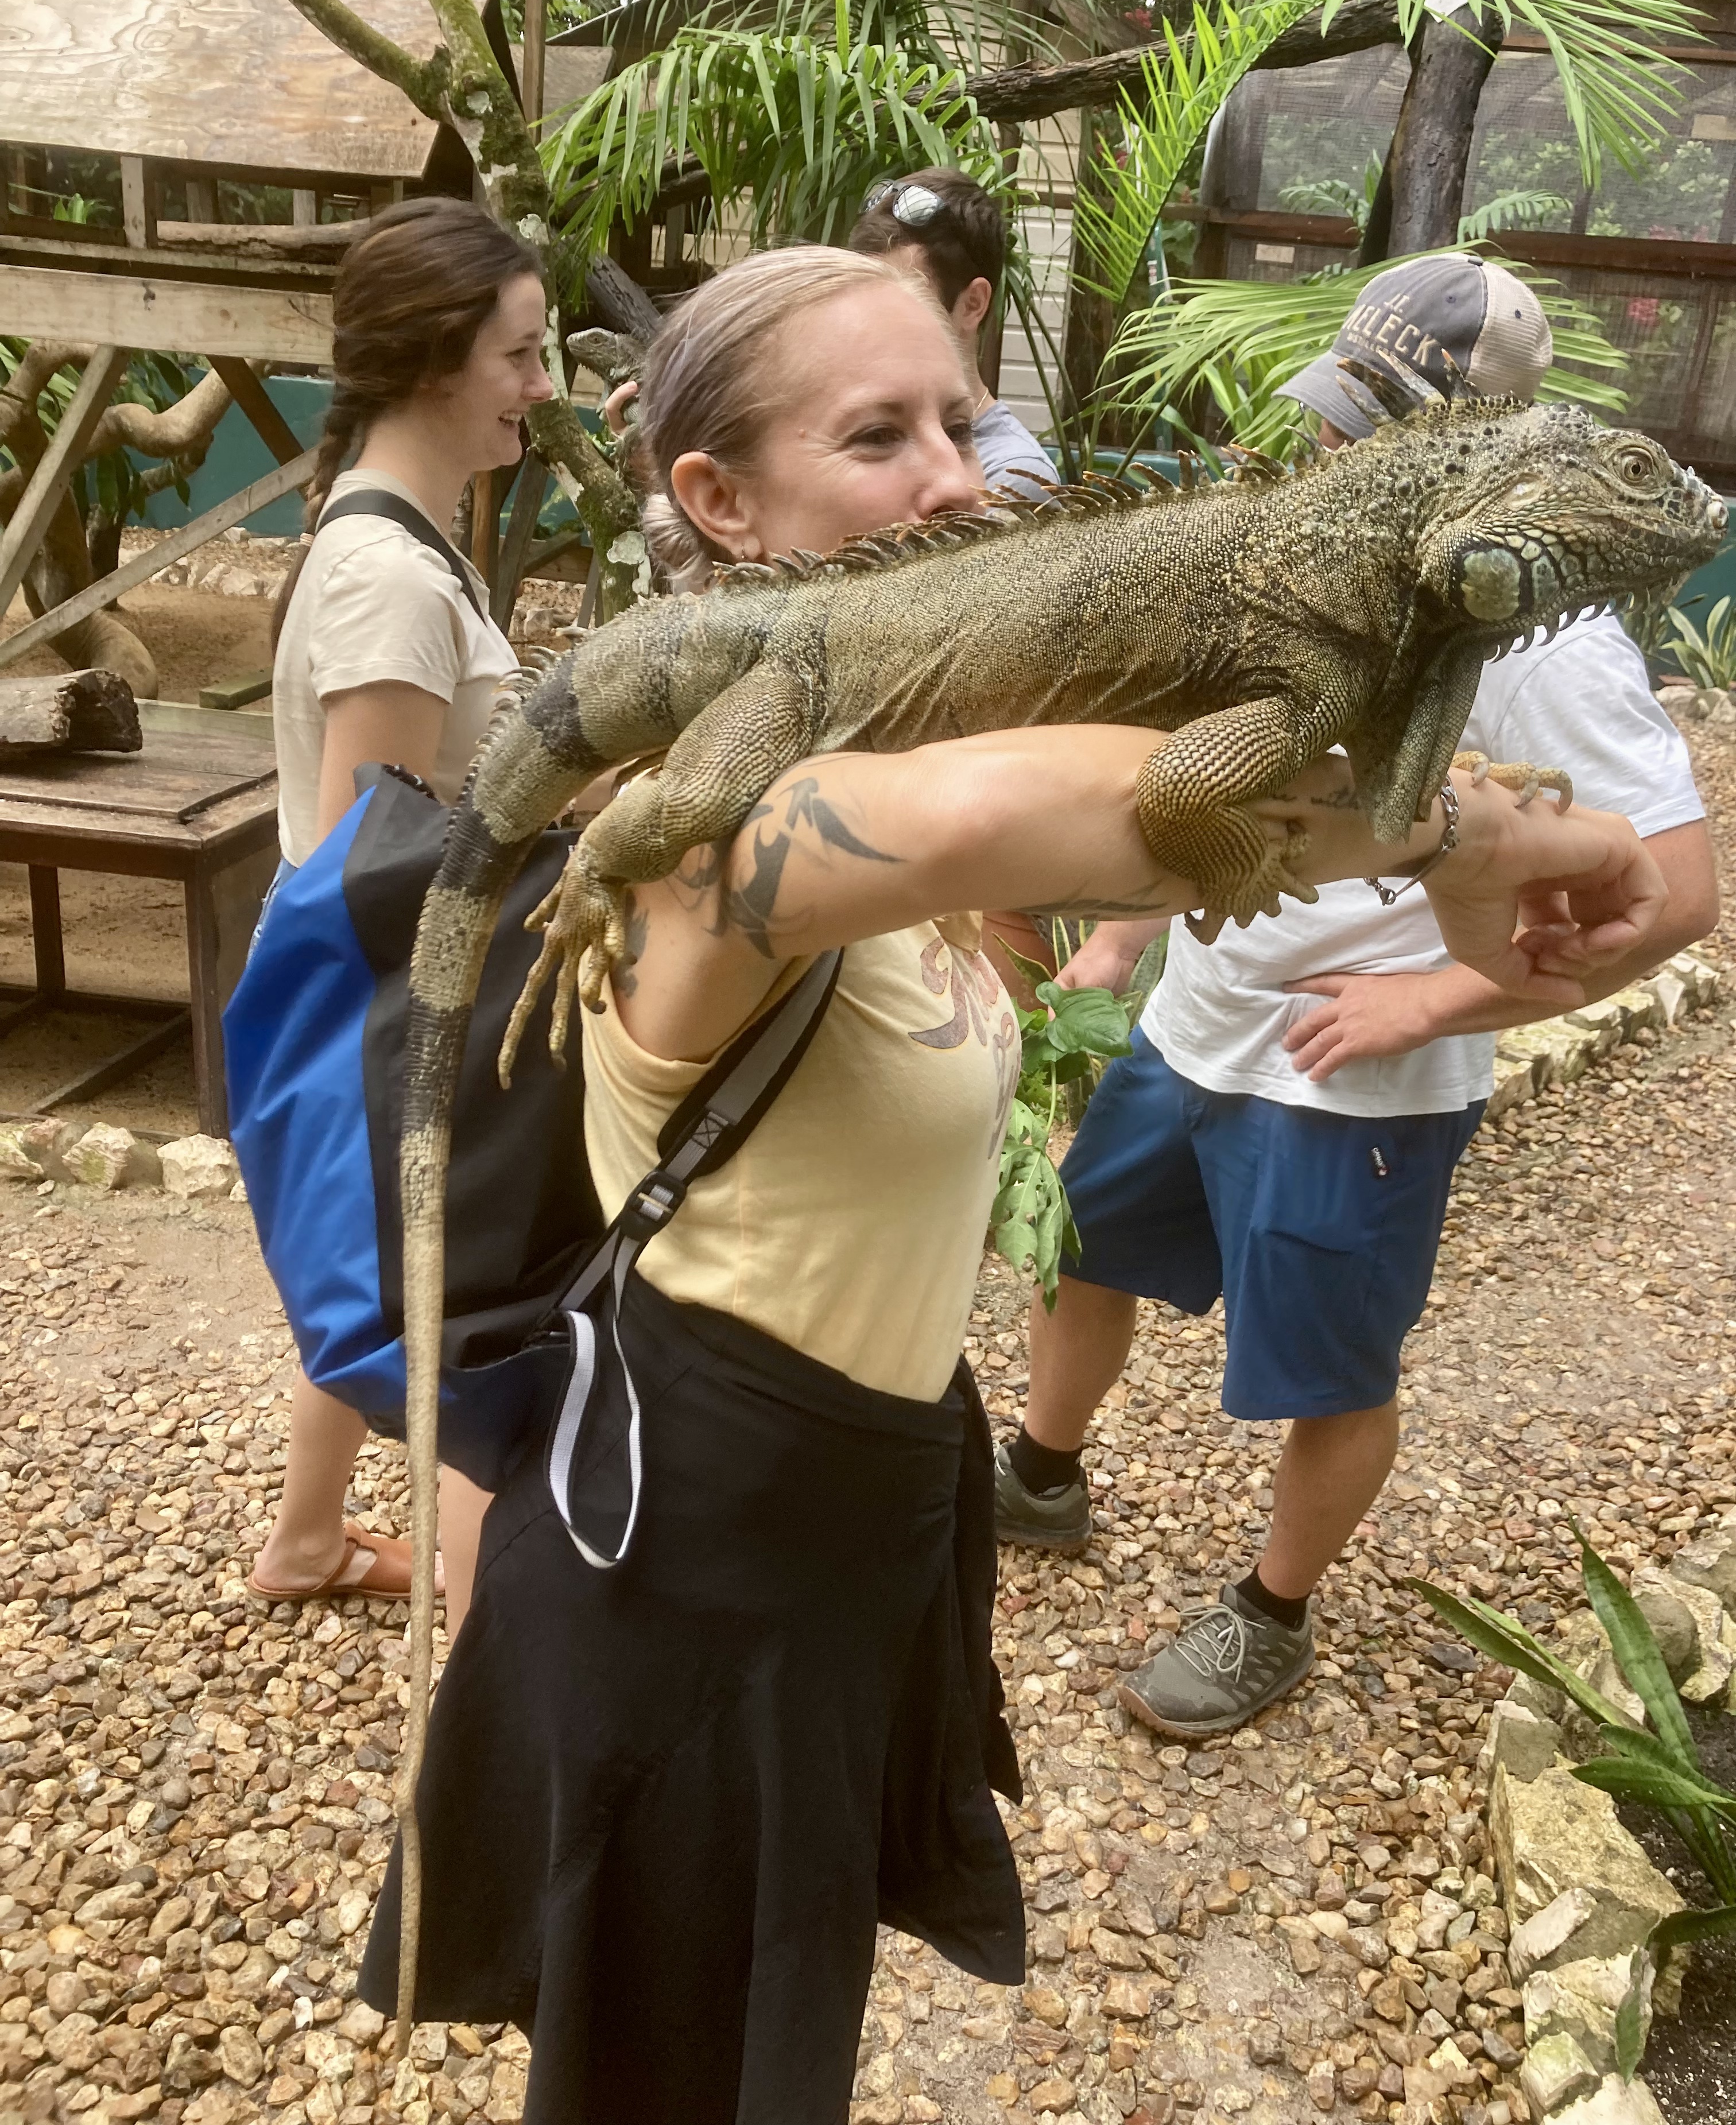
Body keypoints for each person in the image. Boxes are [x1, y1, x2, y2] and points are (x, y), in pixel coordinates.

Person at [354, 244, 1672, 2122]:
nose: (958, 476)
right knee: (665, 2064)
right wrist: (1490, 831)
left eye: (961, 419)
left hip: (848, 1526)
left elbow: (1115, 813)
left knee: (774, 2041)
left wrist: (1467, 835)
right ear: (714, 503)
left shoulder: (897, 797)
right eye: (879, 434)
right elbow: (1060, 810)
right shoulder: (746, 834)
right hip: (690, 1562)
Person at [994, 250, 1719, 1740]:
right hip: (1202, 1018)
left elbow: (1682, 889)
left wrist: (1435, 1004)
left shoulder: (1549, 632)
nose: (1335, 446)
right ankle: (1040, 1476)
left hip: (1352, 1072)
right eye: (1342, 410)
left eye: (1377, 423)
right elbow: (1233, 784)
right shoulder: (1336, 568)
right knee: (1088, 1249)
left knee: (1330, 1365)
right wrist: (1129, 943)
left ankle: (1274, 1611)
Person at [247, 198, 544, 1632]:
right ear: (440, 364)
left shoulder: (394, 541)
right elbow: (391, 852)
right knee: (453, 1304)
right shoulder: (387, 577)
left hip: (366, 1006)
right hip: (388, 1012)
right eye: (520, 356)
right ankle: (504, 1662)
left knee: (359, 1274)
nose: (539, 389)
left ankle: (307, 1541)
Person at [848, 165, 1060, 499]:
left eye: (908, 297)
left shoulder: (1015, 476)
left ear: (973, 304)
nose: (874, 320)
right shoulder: (856, 435)